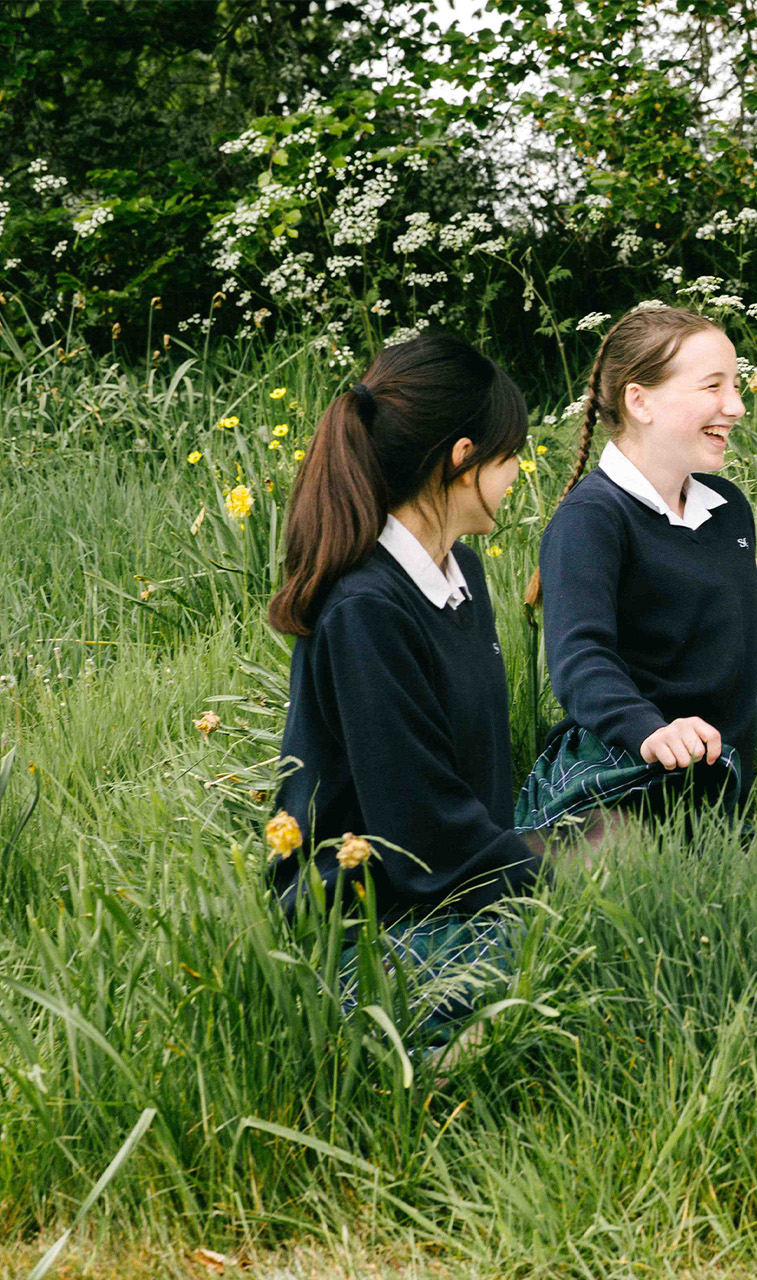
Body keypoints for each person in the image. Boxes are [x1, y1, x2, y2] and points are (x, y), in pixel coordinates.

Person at [268, 333, 547, 1037]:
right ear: (463, 459)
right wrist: (561, 880)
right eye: (510, 455)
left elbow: (465, 799)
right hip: (366, 930)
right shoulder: (368, 609)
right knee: (594, 950)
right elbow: (420, 837)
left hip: (459, 893)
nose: (516, 475)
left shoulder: (464, 577)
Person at [517, 305, 757, 830]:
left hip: (722, 795)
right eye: (713, 386)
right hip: (627, 787)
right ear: (639, 400)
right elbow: (579, 657)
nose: (736, 406)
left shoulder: (728, 508)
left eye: (735, 386)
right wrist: (649, 729)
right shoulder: (591, 519)